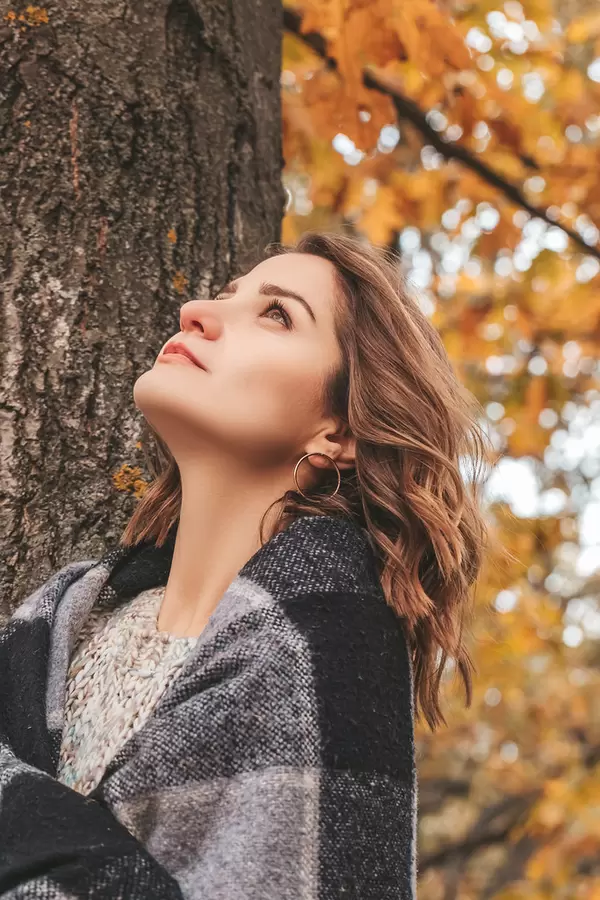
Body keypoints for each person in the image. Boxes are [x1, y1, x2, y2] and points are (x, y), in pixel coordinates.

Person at [0, 231, 490, 898]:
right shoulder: (58, 623)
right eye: (226, 295)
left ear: (338, 432)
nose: (197, 312)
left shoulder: (331, 654)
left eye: (276, 314)